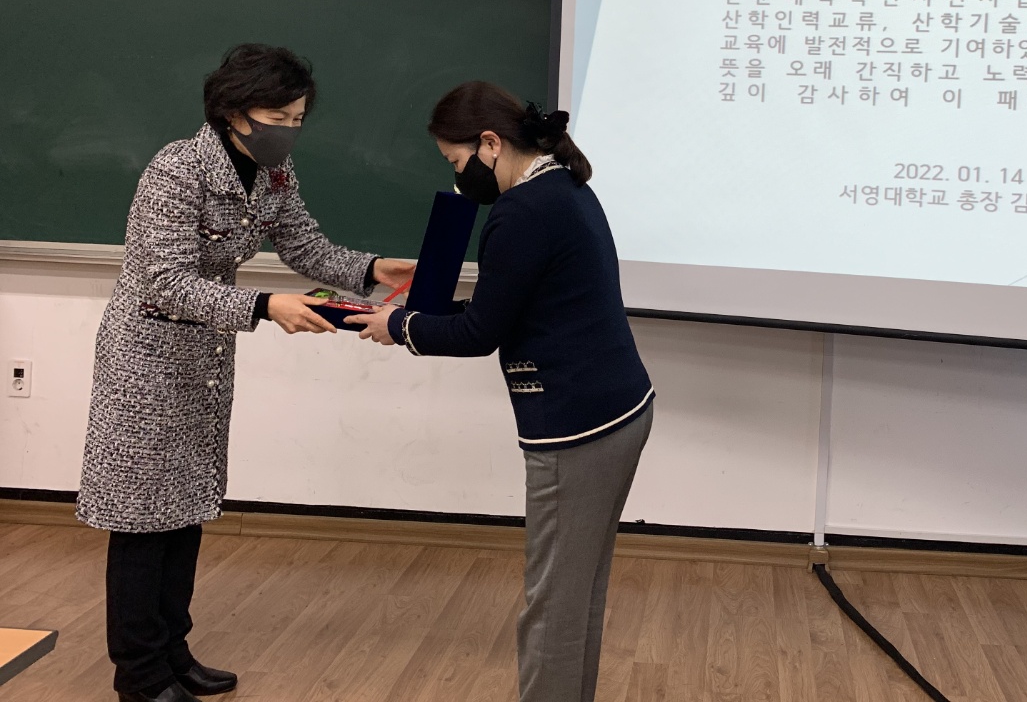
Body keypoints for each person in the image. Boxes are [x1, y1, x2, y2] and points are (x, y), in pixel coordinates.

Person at [76, 44, 414, 702]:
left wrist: (374, 269)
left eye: (298, 118)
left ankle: (173, 652)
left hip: (203, 359)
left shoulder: (273, 172)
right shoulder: (176, 170)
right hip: (146, 361)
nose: (288, 130)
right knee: (143, 520)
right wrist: (264, 306)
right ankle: (139, 674)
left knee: (185, 510)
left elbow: (303, 244)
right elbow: (165, 282)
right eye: (276, 117)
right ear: (232, 111)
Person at [348, 81, 653, 702]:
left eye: (457, 160)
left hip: (577, 425)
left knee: (553, 603)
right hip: (617, 407)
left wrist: (400, 326)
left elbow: (479, 334)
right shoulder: (563, 187)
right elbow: (508, 309)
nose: (458, 177)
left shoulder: (520, 212)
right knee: (576, 591)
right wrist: (417, 316)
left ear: (490, 143)